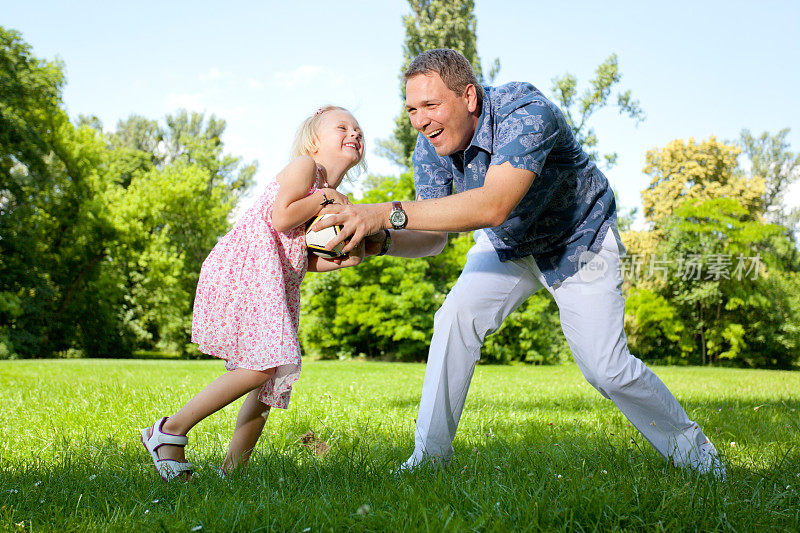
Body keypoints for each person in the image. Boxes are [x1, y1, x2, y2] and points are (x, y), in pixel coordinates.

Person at [318, 49, 725, 477]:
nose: (421, 121)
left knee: (606, 369)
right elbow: (434, 238)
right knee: (455, 317)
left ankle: (701, 460)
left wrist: (381, 212)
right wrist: (377, 242)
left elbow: (493, 204)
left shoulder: (526, 113)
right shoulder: (429, 148)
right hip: (508, 244)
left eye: (431, 106)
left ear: (469, 97)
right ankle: (429, 459)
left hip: (578, 238)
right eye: (412, 110)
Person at [140, 105, 367, 481]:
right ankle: (169, 431)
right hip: (249, 266)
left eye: (358, 129)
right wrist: (329, 199)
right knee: (262, 365)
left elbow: (301, 253)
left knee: (269, 376)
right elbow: (281, 217)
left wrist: (344, 259)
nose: (355, 133)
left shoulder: (332, 192)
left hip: (277, 275)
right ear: (313, 141)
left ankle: (234, 471)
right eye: (342, 126)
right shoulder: (306, 169)